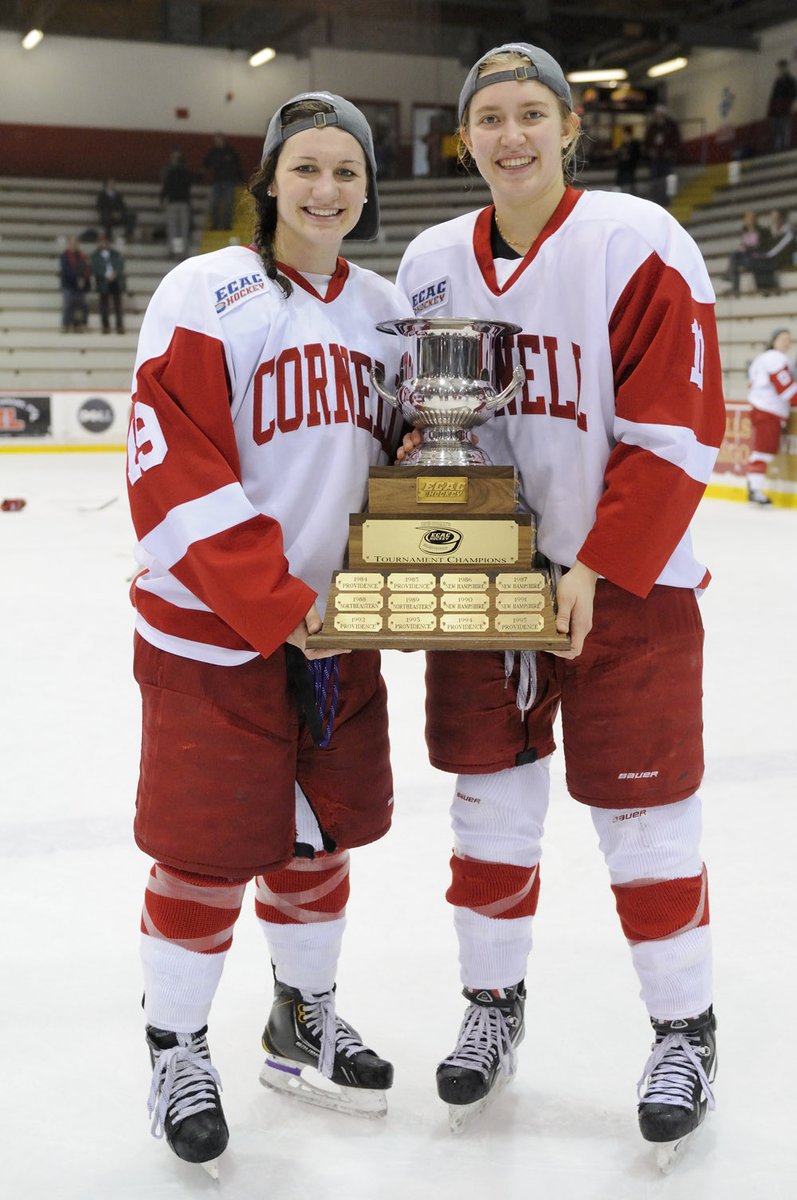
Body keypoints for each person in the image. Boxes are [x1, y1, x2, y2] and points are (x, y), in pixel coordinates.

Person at [395, 42, 726, 1158]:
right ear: (465, 138)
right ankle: (491, 1007)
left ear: (571, 128)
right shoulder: (432, 260)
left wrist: (598, 562)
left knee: (644, 817)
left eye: (532, 112)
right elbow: (421, 422)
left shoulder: (635, 238)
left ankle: (683, 1027)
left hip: (627, 581)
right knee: (487, 805)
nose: (511, 135)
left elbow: (677, 423)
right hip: (487, 577)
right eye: (489, 117)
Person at [127, 92, 408, 1173]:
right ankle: (174, 1048)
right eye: (306, 169)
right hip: (216, 634)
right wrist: (278, 603)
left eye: (347, 171)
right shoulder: (206, 289)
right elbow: (172, 466)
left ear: (366, 188)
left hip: (338, 633)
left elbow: (402, 467)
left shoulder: (385, 310)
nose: (325, 189)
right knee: (204, 854)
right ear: (271, 179)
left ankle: (301, 1021)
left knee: (318, 839)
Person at [745, 328, 797, 504]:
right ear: (773, 340)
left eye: (789, 339)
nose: (786, 342)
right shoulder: (774, 358)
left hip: (763, 409)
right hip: (767, 411)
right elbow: (785, 388)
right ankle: (755, 489)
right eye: (783, 338)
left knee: (763, 450)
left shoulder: (765, 358)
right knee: (763, 451)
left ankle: (754, 487)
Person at [203, 132, 244, 230]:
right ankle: (215, 224)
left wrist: (240, 179)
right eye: (216, 140)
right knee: (215, 204)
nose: (217, 142)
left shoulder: (230, 152)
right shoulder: (213, 152)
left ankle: (227, 225)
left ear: (223, 140)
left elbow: (237, 166)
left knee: (228, 204)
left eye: (219, 140)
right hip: (217, 181)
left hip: (229, 181)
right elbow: (206, 163)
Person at [749, 207, 795, 294]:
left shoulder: (789, 230)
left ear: (781, 218)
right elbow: (768, 245)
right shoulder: (772, 230)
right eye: (772, 217)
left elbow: (780, 246)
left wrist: (766, 255)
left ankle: (772, 287)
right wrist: (762, 255)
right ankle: (763, 288)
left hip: (788, 257)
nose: (773, 219)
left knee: (766, 261)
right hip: (776, 256)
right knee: (758, 262)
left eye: (776, 217)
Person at [644, 105, 681, 207]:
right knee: (655, 179)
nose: (658, 116)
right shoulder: (652, 127)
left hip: (667, 159)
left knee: (667, 179)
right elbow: (647, 142)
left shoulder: (671, 126)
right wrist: (650, 151)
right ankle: (655, 200)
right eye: (657, 114)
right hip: (655, 159)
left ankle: (667, 200)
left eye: (660, 114)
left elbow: (676, 141)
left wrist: (671, 151)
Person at [160, 148, 194, 258]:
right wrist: (163, 198)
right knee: (172, 229)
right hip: (173, 201)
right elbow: (165, 185)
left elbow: (188, 184)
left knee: (183, 229)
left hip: (183, 201)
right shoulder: (169, 170)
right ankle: (173, 250)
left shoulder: (184, 170)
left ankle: (183, 252)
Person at [89, 233, 126, 333]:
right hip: (103, 281)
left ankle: (119, 325)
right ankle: (105, 325)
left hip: (115, 281)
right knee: (104, 305)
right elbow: (95, 268)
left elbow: (120, 265)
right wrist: (105, 275)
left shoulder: (115, 254)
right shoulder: (95, 256)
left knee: (117, 305)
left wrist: (115, 273)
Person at [724, 209, 766, 295]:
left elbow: (760, 247)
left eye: (750, 218)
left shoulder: (761, 231)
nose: (748, 220)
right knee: (734, 256)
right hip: (746, 257)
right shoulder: (744, 231)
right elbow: (743, 245)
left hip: (756, 258)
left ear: (755, 219)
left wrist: (747, 248)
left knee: (736, 258)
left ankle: (729, 276)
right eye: (747, 218)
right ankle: (734, 286)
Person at [58, 235, 90, 332]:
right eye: (72, 243)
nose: (74, 245)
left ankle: (78, 325)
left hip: (79, 286)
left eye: (75, 243)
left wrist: (83, 279)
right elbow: (66, 270)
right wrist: (77, 279)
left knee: (79, 307)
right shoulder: (64, 256)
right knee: (68, 305)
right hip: (69, 284)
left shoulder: (81, 256)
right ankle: (66, 325)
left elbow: (85, 268)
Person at [766, 59, 797, 153]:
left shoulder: (790, 80)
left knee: (784, 127)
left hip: (784, 107)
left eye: (782, 67)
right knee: (776, 128)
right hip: (776, 109)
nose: (780, 70)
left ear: (786, 68)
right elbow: (773, 96)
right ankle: (777, 148)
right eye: (779, 68)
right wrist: (770, 109)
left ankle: (784, 147)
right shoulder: (777, 81)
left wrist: (788, 103)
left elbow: (793, 94)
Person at [615, 124, 642, 194]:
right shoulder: (623, 145)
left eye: (625, 134)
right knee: (622, 186)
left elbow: (636, 156)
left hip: (630, 169)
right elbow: (619, 156)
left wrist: (628, 157)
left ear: (629, 135)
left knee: (630, 186)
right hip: (622, 169)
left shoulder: (634, 144)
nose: (623, 136)